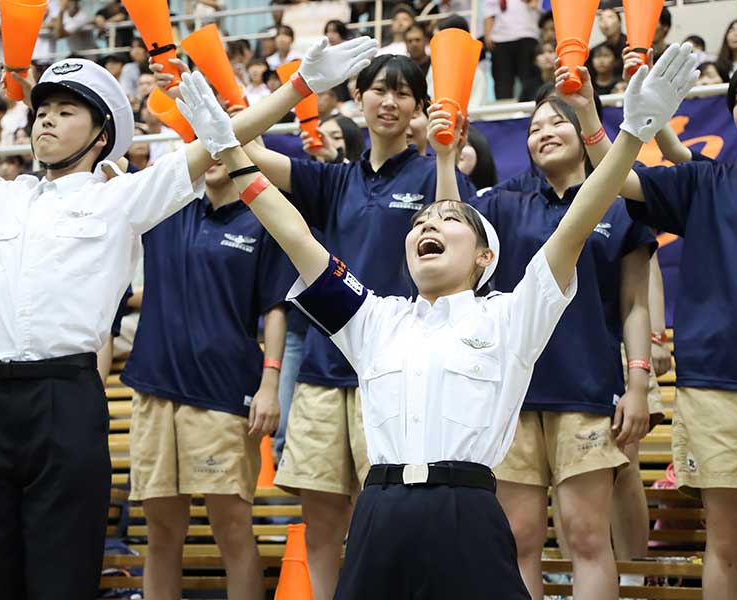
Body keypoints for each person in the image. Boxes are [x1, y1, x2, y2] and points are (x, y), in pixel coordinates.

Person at [170, 40, 699, 600]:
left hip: (466, 511)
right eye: (421, 219)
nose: (429, 223)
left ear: (483, 257)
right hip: (378, 512)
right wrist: (227, 148)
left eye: (449, 219)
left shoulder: (512, 315)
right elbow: (294, 233)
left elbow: (577, 223)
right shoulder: (374, 317)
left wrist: (632, 136)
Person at [0, 43, 378, 598]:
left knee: (62, 571)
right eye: (41, 112)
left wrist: (299, 86)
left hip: (65, 398)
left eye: (65, 111)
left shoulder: (124, 198)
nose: (46, 122)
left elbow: (216, 143)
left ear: (102, 135)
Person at [156, 45, 469, 600]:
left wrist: (444, 159)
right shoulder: (334, 181)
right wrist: (226, 101)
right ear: (357, 96)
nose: (389, 102)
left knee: (396, 523)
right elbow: (240, 153)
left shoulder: (428, 175)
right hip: (326, 373)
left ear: (420, 106)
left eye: (403, 93)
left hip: (399, 372)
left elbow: (456, 234)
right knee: (322, 525)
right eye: (379, 89)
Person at [584, 51, 737, 600]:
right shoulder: (707, 181)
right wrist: (590, 114)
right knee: (725, 546)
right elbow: (620, 181)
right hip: (713, 385)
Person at [473, 86, 655, 599]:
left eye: (556, 123)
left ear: (583, 133)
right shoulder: (505, 205)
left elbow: (636, 303)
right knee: (518, 540)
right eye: (533, 128)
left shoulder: (620, 205)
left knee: (587, 536)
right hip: (514, 397)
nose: (543, 134)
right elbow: (449, 216)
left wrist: (638, 383)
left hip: (587, 392)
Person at [120, 155, 294, 600]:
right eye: (204, 147)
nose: (213, 158)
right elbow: (106, 171)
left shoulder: (262, 222)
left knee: (231, 529)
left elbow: (276, 309)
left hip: (222, 396)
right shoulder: (166, 211)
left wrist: (270, 384)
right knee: (160, 534)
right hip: (155, 390)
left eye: (223, 148)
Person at [484, 0, 541, 100]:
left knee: (529, 79)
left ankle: (534, 109)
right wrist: (488, 35)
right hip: (500, 38)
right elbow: (489, 11)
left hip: (527, 34)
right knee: (502, 83)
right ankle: (503, 114)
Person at [596, 7, 626, 75]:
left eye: (610, 17)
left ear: (619, 22)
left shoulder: (630, 46)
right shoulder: (596, 51)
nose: (605, 22)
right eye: (601, 19)